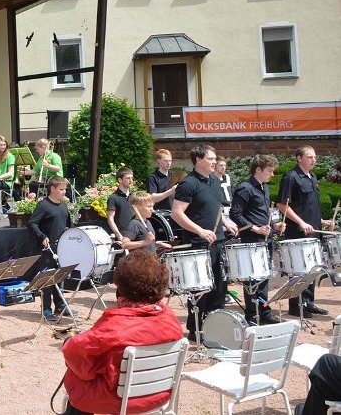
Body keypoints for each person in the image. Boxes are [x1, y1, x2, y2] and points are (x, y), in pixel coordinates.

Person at [61, 250, 184, 415]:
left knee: (78, 375)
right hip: (158, 395)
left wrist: (69, 342)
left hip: (119, 400)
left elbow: (74, 353)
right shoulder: (170, 318)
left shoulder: (115, 324)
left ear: (121, 286)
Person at [170, 144, 238, 342]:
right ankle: (196, 329)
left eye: (215, 158)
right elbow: (176, 213)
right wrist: (200, 231)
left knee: (219, 288)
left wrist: (226, 222)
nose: (214, 162)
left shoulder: (215, 181)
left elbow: (215, 209)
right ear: (199, 160)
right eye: (210, 159)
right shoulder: (188, 183)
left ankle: (215, 327)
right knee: (201, 290)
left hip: (218, 241)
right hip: (198, 244)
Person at [278, 145, 334, 317]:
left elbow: (308, 206)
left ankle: (308, 302)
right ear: (299, 158)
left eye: (314, 157)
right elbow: (282, 205)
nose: (313, 160)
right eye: (310, 157)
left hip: (313, 232)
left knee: (312, 269)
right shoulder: (291, 177)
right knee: (299, 270)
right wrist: (301, 223)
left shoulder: (312, 177)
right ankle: (296, 306)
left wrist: (321, 221)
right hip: (297, 232)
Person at [230, 154, 284, 325]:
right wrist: (255, 228)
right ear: (258, 169)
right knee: (252, 279)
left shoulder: (264, 187)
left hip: (265, 239)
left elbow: (263, 215)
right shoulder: (245, 188)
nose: (272, 174)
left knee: (264, 278)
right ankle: (252, 314)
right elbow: (235, 214)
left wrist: (274, 225)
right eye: (269, 170)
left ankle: (264, 311)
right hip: (251, 239)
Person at [27, 176, 71, 321]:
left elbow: (68, 225)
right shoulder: (43, 205)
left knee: (60, 277)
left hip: (61, 247)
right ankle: (46, 309)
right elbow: (32, 223)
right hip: (47, 248)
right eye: (61, 189)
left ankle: (60, 306)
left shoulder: (63, 206)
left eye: (65, 189)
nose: (64, 192)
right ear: (52, 189)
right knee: (47, 279)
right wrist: (42, 236)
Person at [105, 166, 135, 238]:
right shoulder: (113, 197)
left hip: (134, 233)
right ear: (120, 180)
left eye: (131, 178)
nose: (131, 180)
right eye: (128, 178)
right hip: (121, 235)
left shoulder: (134, 196)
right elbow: (110, 218)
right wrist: (118, 234)